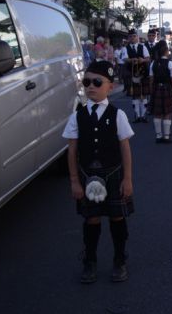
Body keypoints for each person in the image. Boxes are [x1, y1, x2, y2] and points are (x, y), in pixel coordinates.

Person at [62, 60, 134, 284]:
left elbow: (125, 148)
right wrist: (74, 181)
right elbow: (72, 151)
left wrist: (128, 179)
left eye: (97, 82)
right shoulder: (77, 116)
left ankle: (120, 260)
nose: (90, 86)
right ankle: (90, 261)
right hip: (87, 175)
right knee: (91, 219)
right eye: (86, 82)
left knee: (117, 217)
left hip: (113, 174)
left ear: (110, 86)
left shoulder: (118, 115)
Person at [148, 40, 172, 143]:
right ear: (165, 51)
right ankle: (166, 136)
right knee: (167, 113)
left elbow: (151, 79)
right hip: (167, 89)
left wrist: (151, 90)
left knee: (157, 113)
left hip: (156, 89)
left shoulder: (153, 63)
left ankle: (158, 136)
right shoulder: (170, 63)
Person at [125, 29, 151, 122]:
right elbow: (124, 59)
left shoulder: (142, 47)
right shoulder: (126, 48)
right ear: (128, 38)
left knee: (143, 95)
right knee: (135, 96)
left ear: (137, 37)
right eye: (131, 36)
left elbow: (148, 58)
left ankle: (143, 115)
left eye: (134, 36)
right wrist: (131, 60)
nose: (132, 38)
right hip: (131, 73)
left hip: (143, 73)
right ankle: (137, 115)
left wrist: (142, 60)